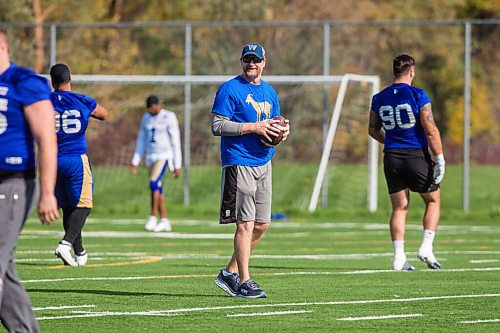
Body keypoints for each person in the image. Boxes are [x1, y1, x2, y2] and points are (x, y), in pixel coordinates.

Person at [211, 42, 290, 298]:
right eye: (247, 59)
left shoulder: (269, 92)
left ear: (264, 63)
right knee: (245, 224)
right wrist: (253, 128)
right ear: (241, 61)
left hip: (264, 162)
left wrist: (282, 131)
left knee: (261, 225)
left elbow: (274, 124)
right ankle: (244, 281)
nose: (251, 64)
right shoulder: (230, 89)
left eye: (256, 60)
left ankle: (229, 272)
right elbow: (217, 125)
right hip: (239, 161)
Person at [0, 28, 59, 332]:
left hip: (11, 183)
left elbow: (47, 140)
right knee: (3, 266)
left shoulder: (25, 82)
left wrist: (48, 192)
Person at [368, 54, 445, 271]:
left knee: (399, 208)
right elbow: (430, 129)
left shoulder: (379, 97)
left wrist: (392, 141)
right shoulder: (418, 94)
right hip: (415, 155)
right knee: (433, 200)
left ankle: (398, 257)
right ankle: (426, 247)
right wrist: (439, 158)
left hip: (391, 156)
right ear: (411, 72)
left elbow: (372, 129)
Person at [50, 63, 108, 267]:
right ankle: (66, 244)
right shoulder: (81, 100)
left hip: (52, 160)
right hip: (75, 157)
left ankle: (79, 251)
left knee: (68, 205)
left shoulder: (45, 101)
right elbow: (103, 113)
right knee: (84, 204)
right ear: (70, 77)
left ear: (52, 81)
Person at [131, 95, 182, 232]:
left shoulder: (168, 117)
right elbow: (141, 139)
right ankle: (164, 219)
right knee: (157, 188)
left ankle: (153, 216)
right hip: (151, 157)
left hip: (164, 156)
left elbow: (175, 140)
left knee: (153, 182)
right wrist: (135, 160)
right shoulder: (146, 118)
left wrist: (177, 164)